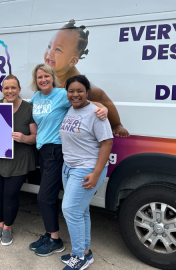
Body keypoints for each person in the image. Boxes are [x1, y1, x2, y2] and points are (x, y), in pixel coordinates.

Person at [28, 63, 107, 257]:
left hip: (56, 151)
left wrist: (103, 107)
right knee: (50, 197)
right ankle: (50, 234)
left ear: (52, 77)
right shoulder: (36, 98)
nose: (43, 80)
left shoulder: (63, 94)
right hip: (43, 151)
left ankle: (55, 240)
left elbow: (85, 101)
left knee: (45, 197)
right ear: (35, 80)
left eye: (46, 76)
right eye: (39, 77)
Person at [59, 75, 113, 270]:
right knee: (80, 211)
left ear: (87, 92)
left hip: (87, 168)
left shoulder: (96, 113)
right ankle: (85, 253)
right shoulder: (70, 109)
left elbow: (107, 143)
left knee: (70, 210)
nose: (75, 94)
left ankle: (78, 256)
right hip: (69, 168)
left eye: (80, 90)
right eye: (71, 91)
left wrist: (97, 173)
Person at [44, 19, 129, 138]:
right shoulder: (48, 80)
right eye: (49, 46)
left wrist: (116, 125)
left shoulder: (79, 83)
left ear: (73, 60)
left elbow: (100, 96)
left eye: (57, 49)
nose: (49, 53)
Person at [0, 75, 37, 246]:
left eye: (13, 88)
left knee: (10, 195)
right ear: (2, 90)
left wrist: (24, 138)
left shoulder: (28, 108)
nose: (10, 91)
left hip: (19, 159)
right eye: (6, 88)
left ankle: (8, 227)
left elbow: (35, 137)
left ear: (19, 89)